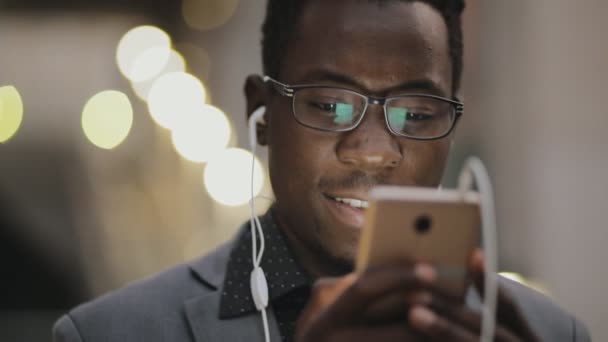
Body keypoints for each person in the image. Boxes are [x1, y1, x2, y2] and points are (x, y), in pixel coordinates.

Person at [53, 0, 591, 341]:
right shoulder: (111, 333)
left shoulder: (549, 333)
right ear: (260, 114)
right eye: (330, 105)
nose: (374, 151)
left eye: (416, 114)